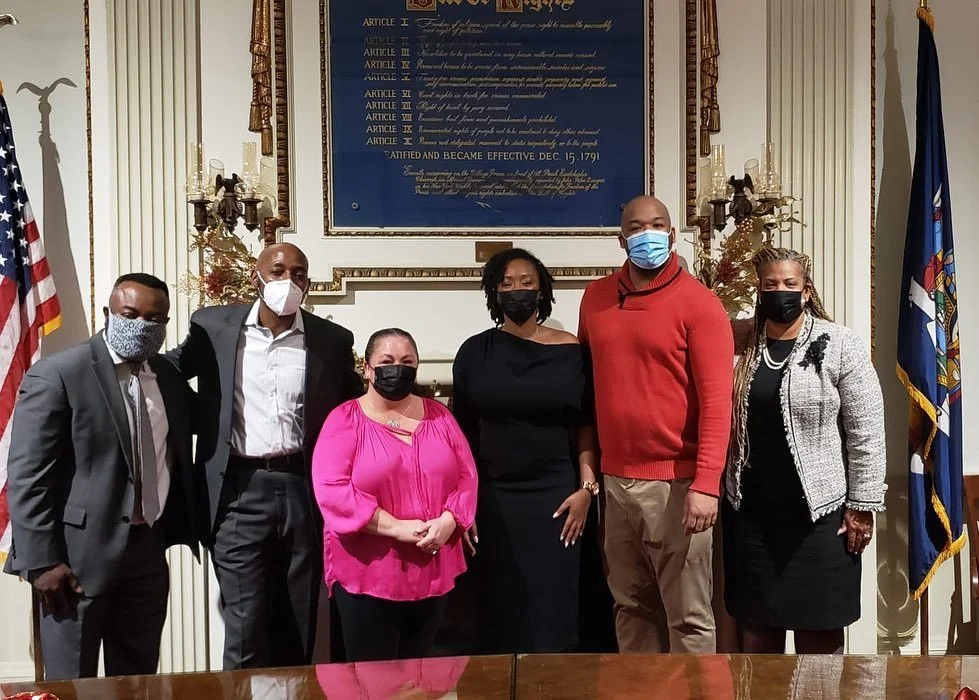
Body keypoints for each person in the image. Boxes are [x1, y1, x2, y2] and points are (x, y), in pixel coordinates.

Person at [167, 242, 363, 669]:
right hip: (238, 491)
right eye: (277, 271)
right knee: (245, 625)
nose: (287, 282)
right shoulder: (212, 327)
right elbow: (166, 373)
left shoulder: (331, 340)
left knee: (299, 622)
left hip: (303, 489)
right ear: (257, 275)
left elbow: (354, 408)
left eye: (298, 273)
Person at [3, 274, 198, 680]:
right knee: (71, 682)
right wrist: (41, 561)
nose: (142, 325)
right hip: (73, 561)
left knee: (137, 679)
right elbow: (28, 475)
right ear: (108, 313)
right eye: (130, 314)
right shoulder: (59, 374)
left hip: (146, 553)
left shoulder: (169, 379)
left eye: (155, 318)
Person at [577, 195, 734, 654]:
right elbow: (587, 388)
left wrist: (706, 483)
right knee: (630, 608)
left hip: (678, 484)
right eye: (636, 226)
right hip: (615, 481)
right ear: (621, 239)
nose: (648, 233)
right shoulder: (596, 298)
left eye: (658, 224)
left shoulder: (699, 304)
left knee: (688, 617)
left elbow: (716, 402)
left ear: (671, 234)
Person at [723, 247, 886, 654]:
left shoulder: (840, 343)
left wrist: (862, 505)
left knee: (820, 635)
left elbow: (866, 427)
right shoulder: (739, 340)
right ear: (759, 291)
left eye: (790, 284)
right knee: (758, 638)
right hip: (752, 517)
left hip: (821, 519)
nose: (781, 292)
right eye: (771, 285)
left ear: (807, 290)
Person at [452, 248, 609, 654]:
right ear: (493, 293)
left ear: (542, 291)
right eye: (506, 284)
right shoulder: (473, 352)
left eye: (526, 283)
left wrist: (587, 490)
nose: (517, 290)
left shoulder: (572, 350)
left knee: (555, 605)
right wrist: (464, 503)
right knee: (501, 603)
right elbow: (462, 434)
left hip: (559, 497)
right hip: (493, 499)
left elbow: (586, 425)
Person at [312, 328, 478, 662]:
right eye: (386, 362)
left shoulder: (440, 416)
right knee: (375, 684)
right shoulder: (344, 420)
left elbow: (467, 476)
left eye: (406, 362)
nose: (396, 369)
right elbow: (332, 489)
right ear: (368, 368)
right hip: (369, 574)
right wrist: (396, 528)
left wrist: (450, 521)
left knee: (424, 682)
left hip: (433, 568)